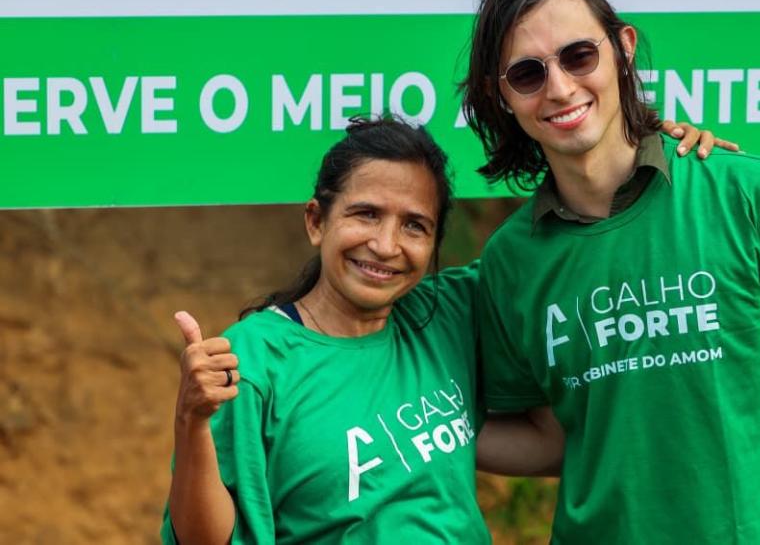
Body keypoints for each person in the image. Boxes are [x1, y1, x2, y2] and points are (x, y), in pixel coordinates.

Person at [161, 116, 729, 544]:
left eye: (415, 226)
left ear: (434, 244)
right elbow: (203, 538)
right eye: (365, 214)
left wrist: (647, 156)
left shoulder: (448, 313)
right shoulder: (252, 359)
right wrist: (191, 421)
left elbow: (572, 249)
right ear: (317, 221)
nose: (385, 246)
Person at [463, 0, 760, 544]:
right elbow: (553, 437)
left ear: (623, 48)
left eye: (580, 56)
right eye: (527, 73)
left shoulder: (750, 192)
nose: (560, 88)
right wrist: (424, 435)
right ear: (501, 96)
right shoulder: (509, 261)